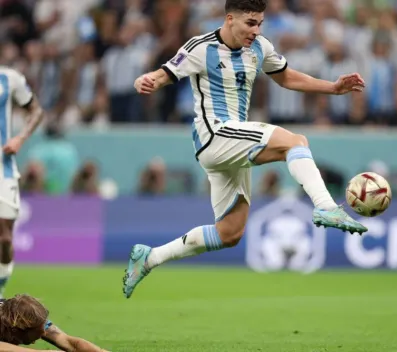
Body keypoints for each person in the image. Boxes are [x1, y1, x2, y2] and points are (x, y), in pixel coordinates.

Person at [122, 0, 368, 299]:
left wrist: (332, 87)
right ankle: (327, 207)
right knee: (295, 142)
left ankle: (149, 258)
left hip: (233, 143)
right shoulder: (201, 47)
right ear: (230, 20)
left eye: (260, 23)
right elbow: (163, 74)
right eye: (250, 23)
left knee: (229, 233)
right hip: (214, 135)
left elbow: (287, 77)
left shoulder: (260, 47)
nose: (256, 30)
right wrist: (145, 80)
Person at [0, 66, 44, 298]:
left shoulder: (10, 78)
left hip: (2, 169)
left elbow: (36, 111)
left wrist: (20, 138)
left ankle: (0, 291)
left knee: (5, 239)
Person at [0, 294, 109, 352]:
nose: (44, 332)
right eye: (38, 330)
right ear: (16, 329)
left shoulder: (26, 317)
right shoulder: (14, 320)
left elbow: (70, 343)